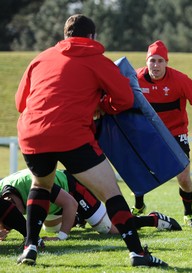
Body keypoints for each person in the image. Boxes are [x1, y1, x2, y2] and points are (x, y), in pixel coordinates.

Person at [15, 14, 167, 267]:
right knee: (111, 193)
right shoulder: (97, 60)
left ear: (65, 36)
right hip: (71, 135)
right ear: (93, 37)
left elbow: (20, 103)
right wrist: (101, 105)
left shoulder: (40, 58)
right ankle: (138, 254)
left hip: (32, 134)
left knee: (41, 186)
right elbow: (125, 99)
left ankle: (30, 247)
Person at [133, 40, 192, 227]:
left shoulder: (179, 80)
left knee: (183, 178)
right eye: (152, 61)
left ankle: (188, 214)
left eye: (160, 61)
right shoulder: (135, 78)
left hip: (175, 133)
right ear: (146, 61)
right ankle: (139, 206)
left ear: (166, 62)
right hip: (148, 134)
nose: (155, 65)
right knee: (136, 171)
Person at [0, 169, 181, 241]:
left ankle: (153, 219)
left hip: (73, 191)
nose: (17, 215)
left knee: (110, 229)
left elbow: (70, 203)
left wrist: (62, 237)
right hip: (54, 204)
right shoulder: (5, 192)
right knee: (51, 228)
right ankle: (79, 217)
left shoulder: (33, 184)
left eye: (16, 210)